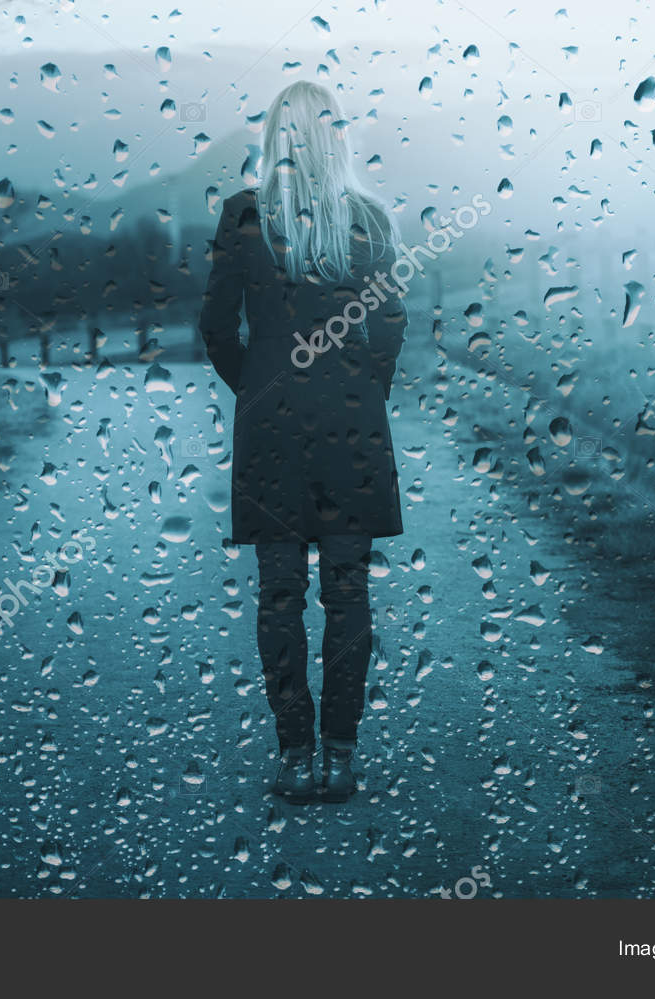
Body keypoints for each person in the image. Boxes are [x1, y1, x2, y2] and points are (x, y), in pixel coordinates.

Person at [198, 80, 407, 803]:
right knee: (348, 595)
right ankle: (341, 754)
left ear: (272, 140)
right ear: (338, 137)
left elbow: (218, 329)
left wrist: (257, 389)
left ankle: (294, 755)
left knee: (279, 594)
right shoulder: (370, 220)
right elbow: (389, 330)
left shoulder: (244, 216)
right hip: (352, 426)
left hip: (271, 430)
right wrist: (359, 395)